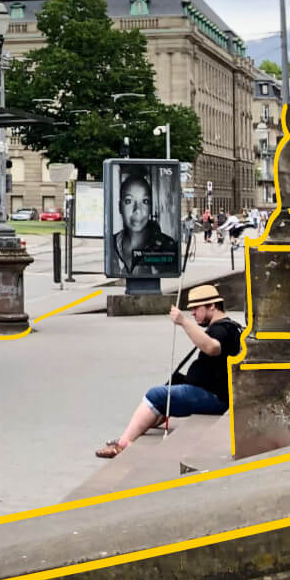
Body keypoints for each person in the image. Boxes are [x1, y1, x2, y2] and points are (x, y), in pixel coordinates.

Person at [94, 284, 242, 458]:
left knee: (156, 395)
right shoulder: (230, 327)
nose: (193, 313)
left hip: (214, 396)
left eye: (196, 308)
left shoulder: (222, 329)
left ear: (211, 306)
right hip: (212, 390)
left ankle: (123, 444)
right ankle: (133, 432)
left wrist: (183, 322)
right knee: (170, 388)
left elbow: (212, 347)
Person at [110, 171, 179, 277]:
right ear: (120, 206)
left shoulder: (167, 246)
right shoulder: (111, 244)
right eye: (129, 201)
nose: (137, 210)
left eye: (145, 201)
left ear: (151, 207)